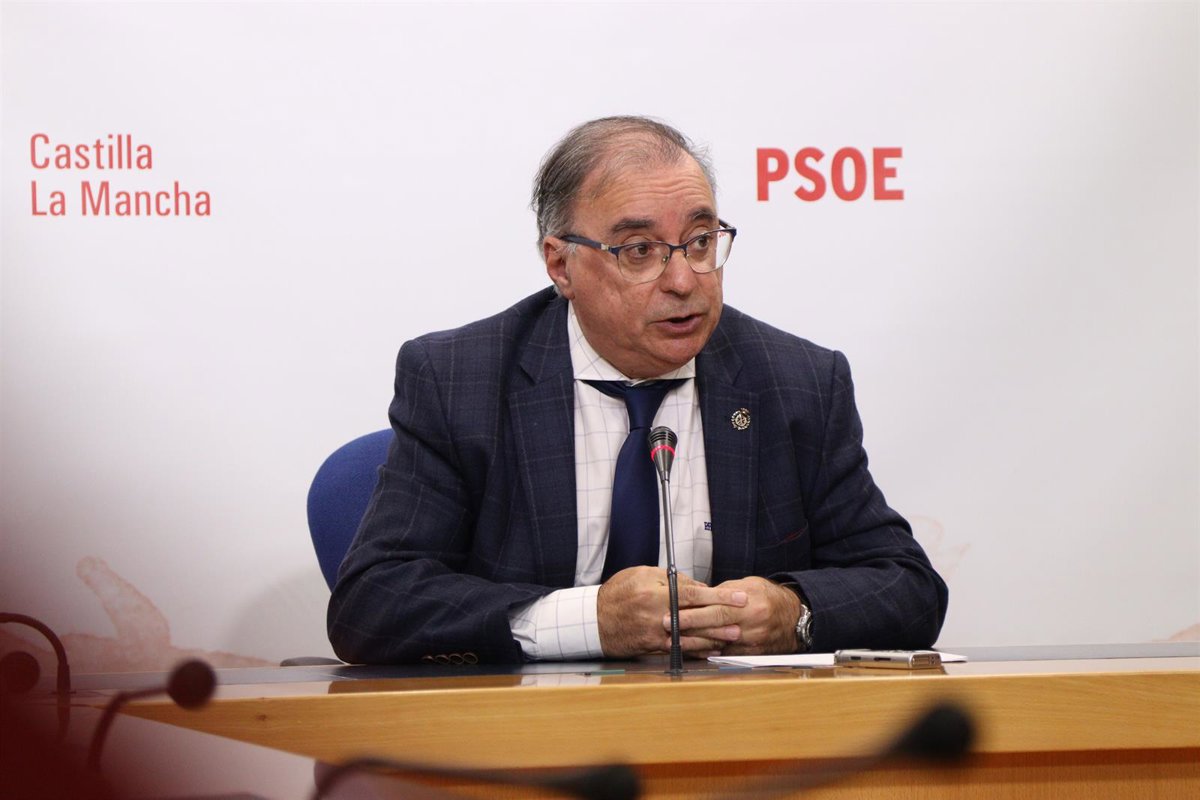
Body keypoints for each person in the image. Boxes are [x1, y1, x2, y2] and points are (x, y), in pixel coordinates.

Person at [327, 116, 947, 665]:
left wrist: (794, 612)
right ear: (561, 265)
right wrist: (588, 621)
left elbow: (908, 587)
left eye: (700, 242)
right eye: (640, 251)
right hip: (532, 734)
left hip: (736, 730)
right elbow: (373, 603)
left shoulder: (797, 381)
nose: (683, 280)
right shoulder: (459, 379)